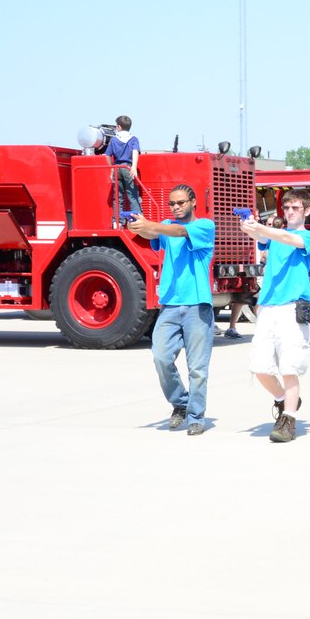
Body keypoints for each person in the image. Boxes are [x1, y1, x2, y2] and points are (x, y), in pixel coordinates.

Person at [126, 185, 215, 436]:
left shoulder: (205, 227)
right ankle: (180, 403)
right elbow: (152, 236)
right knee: (161, 358)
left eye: (181, 202)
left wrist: (150, 225)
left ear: (193, 202)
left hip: (198, 306)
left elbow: (176, 231)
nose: (176, 207)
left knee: (197, 368)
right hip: (170, 305)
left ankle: (196, 416)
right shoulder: (164, 224)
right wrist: (137, 225)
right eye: (172, 204)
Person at [239, 189, 310, 443]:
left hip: (293, 306)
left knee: (289, 367)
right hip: (269, 305)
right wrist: (249, 224)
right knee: (260, 367)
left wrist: (261, 229)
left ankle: (289, 419)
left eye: (296, 208)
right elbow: (257, 235)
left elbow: (285, 236)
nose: (290, 212)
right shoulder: (273, 236)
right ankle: (283, 400)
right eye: (287, 208)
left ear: (307, 211)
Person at [106, 115, 142, 215]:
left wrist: (112, 168)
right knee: (133, 195)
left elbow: (107, 155)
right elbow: (135, 151)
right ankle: (139, 220)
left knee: (117, 197)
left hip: (117, 168)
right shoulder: (134, 139)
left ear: (119, 127)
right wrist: (134, 167)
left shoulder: (113, 140)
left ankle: (118, 222)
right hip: (128, 168)